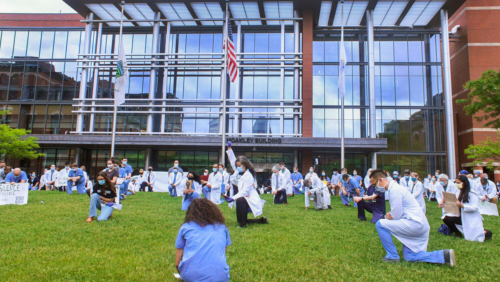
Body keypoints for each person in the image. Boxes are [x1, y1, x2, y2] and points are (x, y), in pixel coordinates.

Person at [370, 169, 456, 266]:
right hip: (420, 225)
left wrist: (390, 216)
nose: (375, 187)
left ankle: (392, 256)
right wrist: (391, 214)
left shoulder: (394, 189)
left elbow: (396, 214)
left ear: (380, 180)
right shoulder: (395, 188)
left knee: (380, 224)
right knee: (410, 257)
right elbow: (398, 211)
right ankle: (443, 256)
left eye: (374, 184)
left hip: (414, 224)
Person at [175, 198, 231, 282]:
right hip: (221, 277)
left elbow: (177, 263)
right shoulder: (222, 227)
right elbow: (223, 251)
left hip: (191, 276)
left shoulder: (186, 227)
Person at [225, 143, 267, 228]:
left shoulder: (249, 176)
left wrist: (233, 198)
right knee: (239, 219)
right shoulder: (238, 171)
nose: (238, 167)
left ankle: (243, 225)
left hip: (247, 197)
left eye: (239, 166)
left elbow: (245, 192)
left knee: (240, 200)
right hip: (239, 194)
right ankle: (260, 220)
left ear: (245, 165)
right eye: (237, 166)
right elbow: (233, 161)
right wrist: (229, 149)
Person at [442, 175, 489, 241]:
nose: (457, 184)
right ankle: (457, 233)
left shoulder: (471, 193)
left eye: (459, 183)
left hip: (470, 218)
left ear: (464, 183)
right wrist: (444, 203)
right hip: (462, 216)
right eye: (456, 183)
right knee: (446, 218)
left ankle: (485, 233)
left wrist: (462, 206)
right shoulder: (459, 191)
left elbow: (475, 208)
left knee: (473, 237)